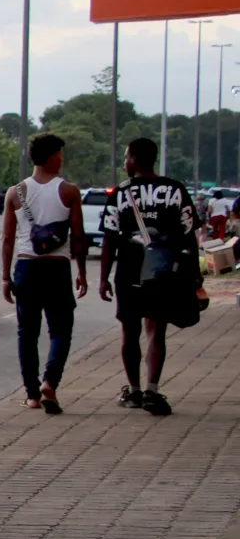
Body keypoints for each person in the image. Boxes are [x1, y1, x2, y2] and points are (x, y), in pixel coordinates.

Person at [98, 138, 203, 416]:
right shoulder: (175, 190)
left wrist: (103, 277)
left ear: (133, 159)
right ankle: (153, 390)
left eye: (125, 157)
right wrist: (195, 272)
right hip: (164, 273)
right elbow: (190, 236)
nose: (124, 162)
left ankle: (133, 391)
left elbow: (109, 239)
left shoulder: (120, 194)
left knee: (129, 331)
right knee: (156, 331)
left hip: (129, 272)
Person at [1, 133, 89, 415]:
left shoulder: (15, 193)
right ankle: (50, 383)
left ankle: (32, 395)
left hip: (26, 267)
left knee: (27, 333)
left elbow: (7, 239)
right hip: (57, 267)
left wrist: (6, 277)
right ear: (51, 156)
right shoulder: (69, 191)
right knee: (61, 330)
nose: (62, 159)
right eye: (60, 154)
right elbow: (78, 237)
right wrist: (82, 273)